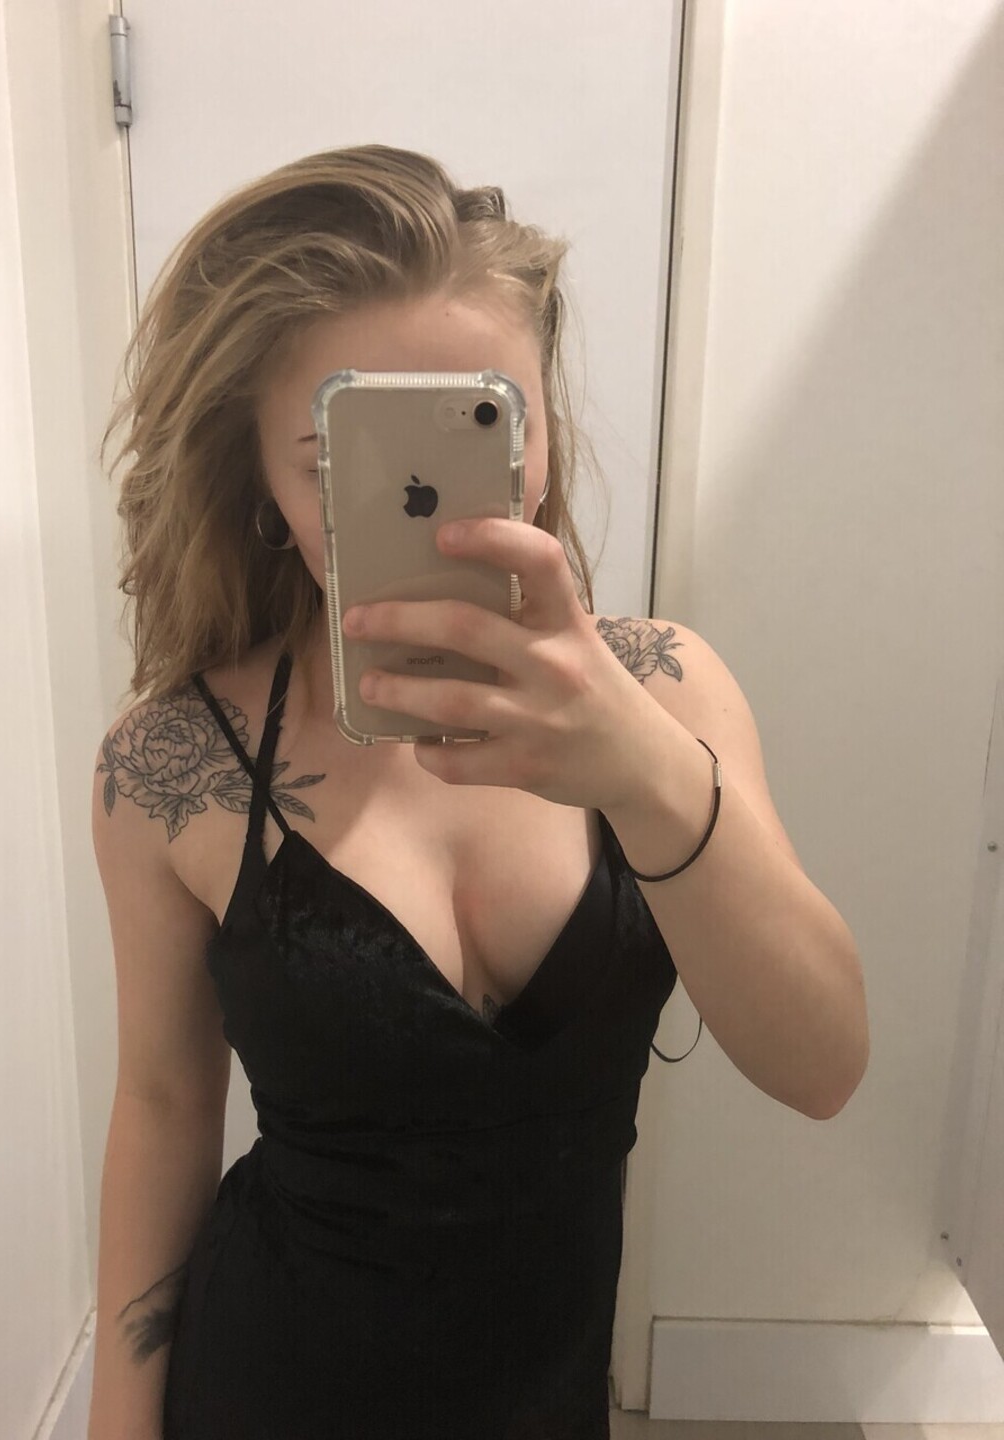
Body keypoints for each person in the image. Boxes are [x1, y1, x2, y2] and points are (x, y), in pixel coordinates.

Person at [87, 144, 867, 1440]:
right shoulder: (173, 767)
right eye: (336, 456)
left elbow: (823, 1066)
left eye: (479, 432)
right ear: (265, 480)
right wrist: (119, 1423)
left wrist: (641, 774)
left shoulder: (666, 694)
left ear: (544, 431)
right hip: (269, 1390)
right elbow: (164, 1107)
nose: (422, 508)